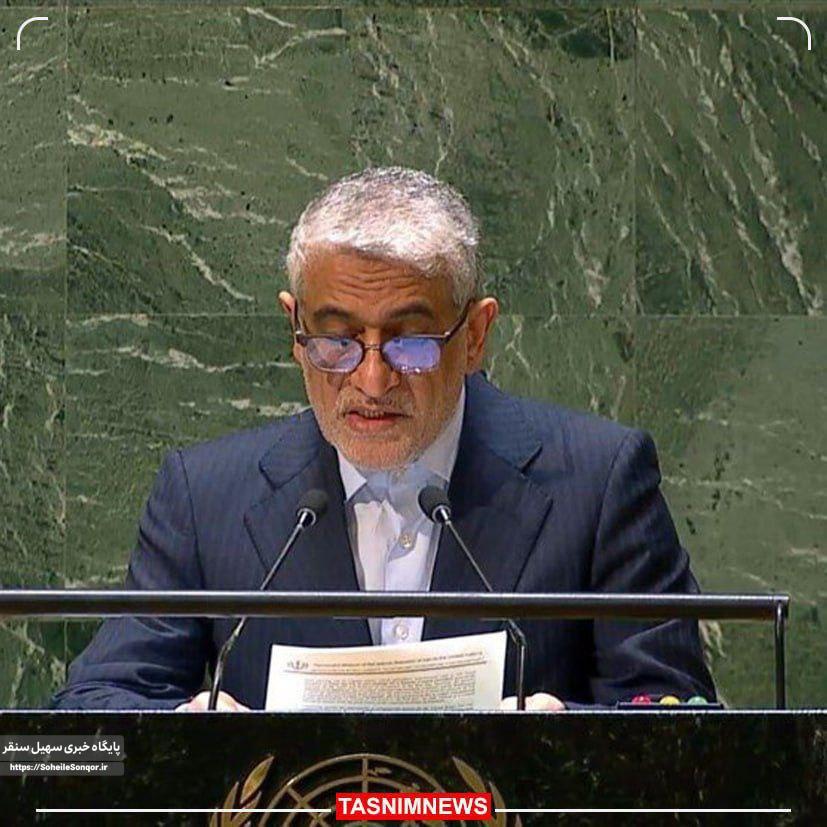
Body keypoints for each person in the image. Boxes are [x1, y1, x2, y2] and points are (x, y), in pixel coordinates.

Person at [51, 166, 715, 712]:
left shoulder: (597, 481)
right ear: (294, 329)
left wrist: (565, 740)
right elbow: (77, 732)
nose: (371, 380)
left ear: (475, 335)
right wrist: (181, 733)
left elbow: (682, 727)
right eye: (336, 339)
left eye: (412, 341)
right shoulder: (204, 497)